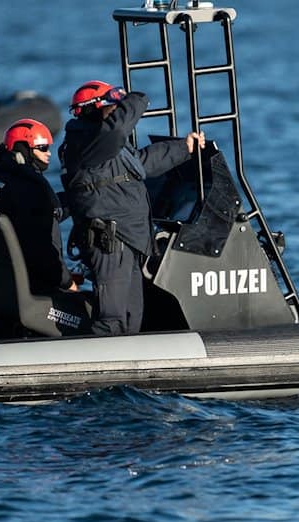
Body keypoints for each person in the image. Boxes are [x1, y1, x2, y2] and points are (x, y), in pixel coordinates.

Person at [59, 80, 205, 336]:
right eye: (112, 106)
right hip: (109, 242)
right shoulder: (88, 142)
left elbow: (142, 164)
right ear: (94, 109)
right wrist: (137, 98)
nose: (117, 110)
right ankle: (99, 368)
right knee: (112, 319)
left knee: (132, 315)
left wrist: (184, 148)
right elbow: (116, 132)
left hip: (129, 239)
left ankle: (131, 369)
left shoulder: (105, 146)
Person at [0, 118, 78, 297]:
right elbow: (43, 247)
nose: (49, 153)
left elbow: (35, 215)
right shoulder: (33, 187)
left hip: (1, 284)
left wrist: (76, 199)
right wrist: (66, 281)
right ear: (24, 150)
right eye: (42, 148)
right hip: (36, 288)